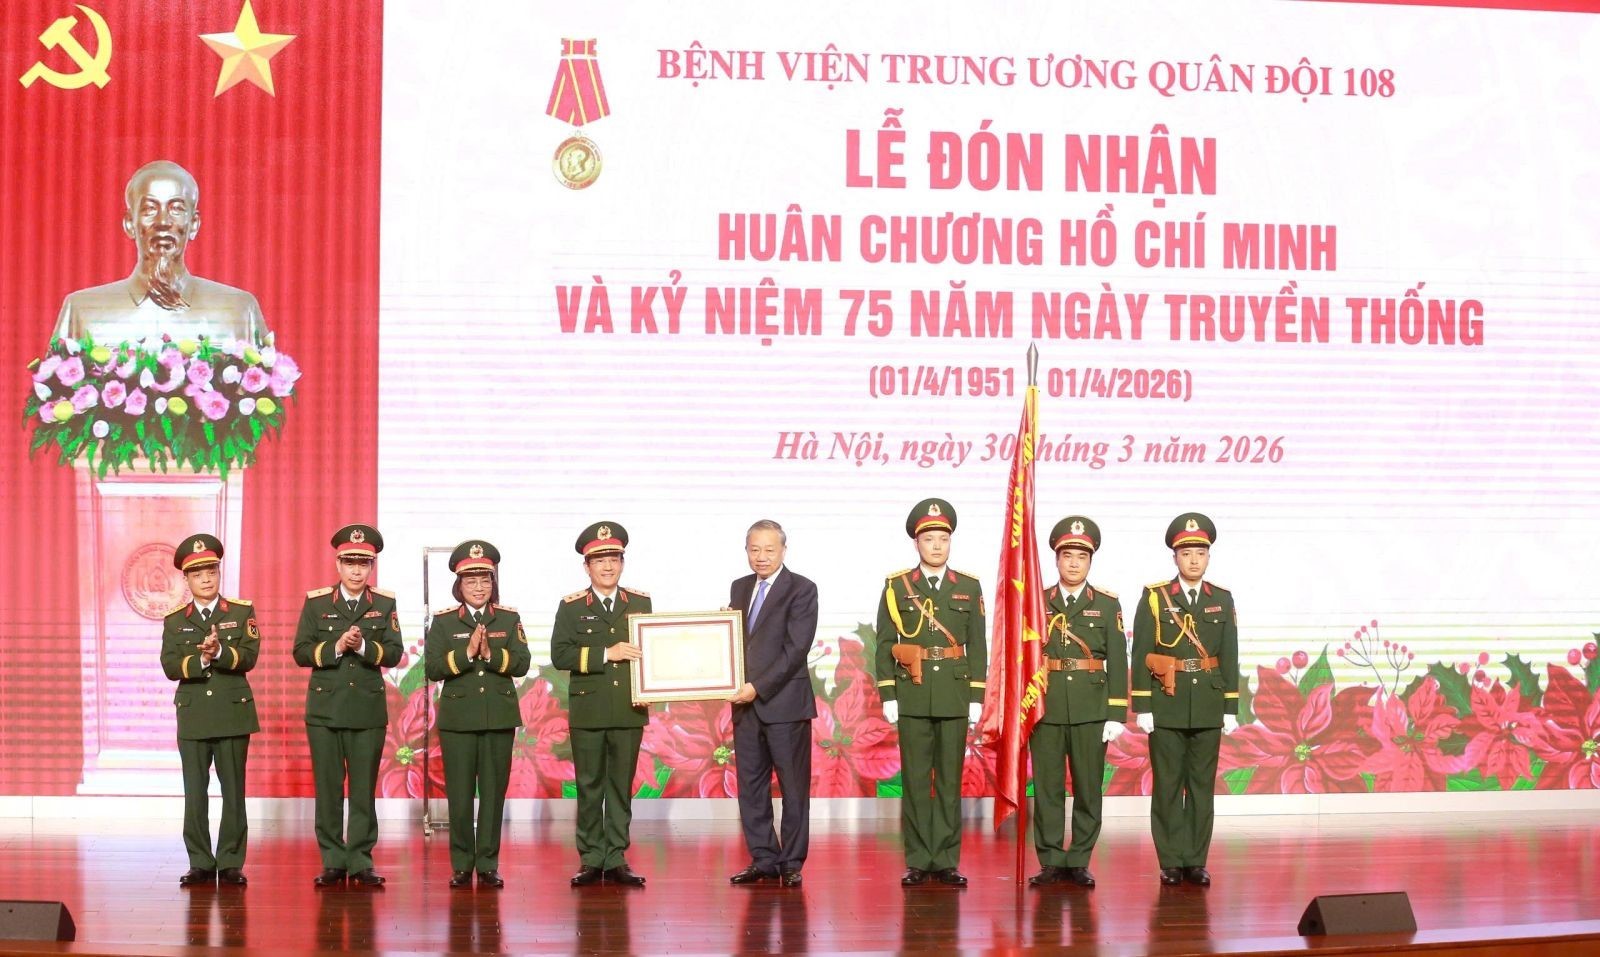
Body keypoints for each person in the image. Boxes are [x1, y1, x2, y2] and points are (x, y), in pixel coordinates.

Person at [874, 498, 986, 887]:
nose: (936, 546)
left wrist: (976, 696)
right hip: (913, 692)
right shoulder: (897, 586)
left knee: (950, 781)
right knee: (917, 781)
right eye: (929, 539)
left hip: (954, 693)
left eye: (943, 539)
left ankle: (947, 860)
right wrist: (888, 693)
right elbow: (884, 642)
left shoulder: (968, 586)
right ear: (916, 543)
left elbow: (978, 644)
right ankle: (920, 859)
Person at [1131, 513, 1239, 887]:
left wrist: (1230, 705)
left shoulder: (1221, 598)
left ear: (1208, 556)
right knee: (1167, 785)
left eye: (1200, 553)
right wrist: (1143, 705)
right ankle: (1171, 860)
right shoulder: (1156, 597)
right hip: (1167, 701)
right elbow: (1141, 652)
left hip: (1208, 702)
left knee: (1202, 786)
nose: (1194, 560)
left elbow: (1229, 654)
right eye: (1186, 553)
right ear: (1174, 557)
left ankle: (1195, 859)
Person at [52, 160, 270, 346]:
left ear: (194, 224)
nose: (163, 221)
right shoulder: (83, 310)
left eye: (176, 208)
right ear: (130, 223)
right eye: (149, 209)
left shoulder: (238, 310)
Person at [292, 523, 403, 888]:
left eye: (364, 563)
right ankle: (333, 860)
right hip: (325, 711)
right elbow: (301, 652)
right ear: (338, 564)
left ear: (371, 566)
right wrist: (337, 647)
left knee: (362, 790)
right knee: (328, 789)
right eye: (350, 563)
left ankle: (360, 860)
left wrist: (364, 647)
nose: (357, 571)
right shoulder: (317, 603)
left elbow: (395, 652)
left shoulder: (384, 603)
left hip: (367, 711)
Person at [550, 522, 651, 888]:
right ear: (586, 566)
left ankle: (617, 857)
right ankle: (592, 857)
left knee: (621, 787)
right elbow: (560, 654)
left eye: (614, 559)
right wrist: (607, 653)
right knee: (590, 786)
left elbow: (654, 651)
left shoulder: (640, 602)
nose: (608, 566)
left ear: (622, 562)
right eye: (599, 560)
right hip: (589, 710)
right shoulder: (572, 606)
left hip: (628, 708)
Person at [1028, 516, 1127, 888]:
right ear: (1056, 559)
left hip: (1091, 708)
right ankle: (1051, 860)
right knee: (1048, 789)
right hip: (1047, 707)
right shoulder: (1036, 602)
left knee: (1087, 788)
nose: (1073, 563)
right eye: (1067, 556)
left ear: (1090, 561)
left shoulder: (1106, 604)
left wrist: (1116, 713)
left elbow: (1118, 659)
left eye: (1081, 557)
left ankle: (1080, 858)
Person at [425, 539, 530, 889]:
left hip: (498, 718)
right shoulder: (443, 622)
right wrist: (467, 653)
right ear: (459, 585)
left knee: (493, 794)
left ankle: (487, 864)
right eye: (471, 581)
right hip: (458, 720)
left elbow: (522, 663)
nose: (479, 587)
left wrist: (490, 654)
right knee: (458, 795)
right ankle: (461, 864)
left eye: (485, 580)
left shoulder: (509, 618)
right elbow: (433, 668)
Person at [159, 533, 260, 887]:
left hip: (232, 714)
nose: (206, 579)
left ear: (219, 573)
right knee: (195, 792)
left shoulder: (241, 612)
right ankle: (200, 861)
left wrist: (219, 653)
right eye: (198, 574)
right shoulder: (175, 620)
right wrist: (201, 658)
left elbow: (249, 657)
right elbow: (170, 666)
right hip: (194, 715)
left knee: (234, 792)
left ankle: (231, 861)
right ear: (186, 579)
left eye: (211, 571)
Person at [727, 519, 819, 888]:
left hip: (785, 705)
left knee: (793, 789)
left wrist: (757, 687)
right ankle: (763, 858)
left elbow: (796, 650)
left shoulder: (802, 589)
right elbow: (737, 641)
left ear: (783, 550)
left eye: (769, 549)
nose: (761, 556)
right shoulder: (739, 587)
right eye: (754, 549)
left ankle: (791, 862)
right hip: (745, 707)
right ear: (746, 551)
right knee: (751, 787)